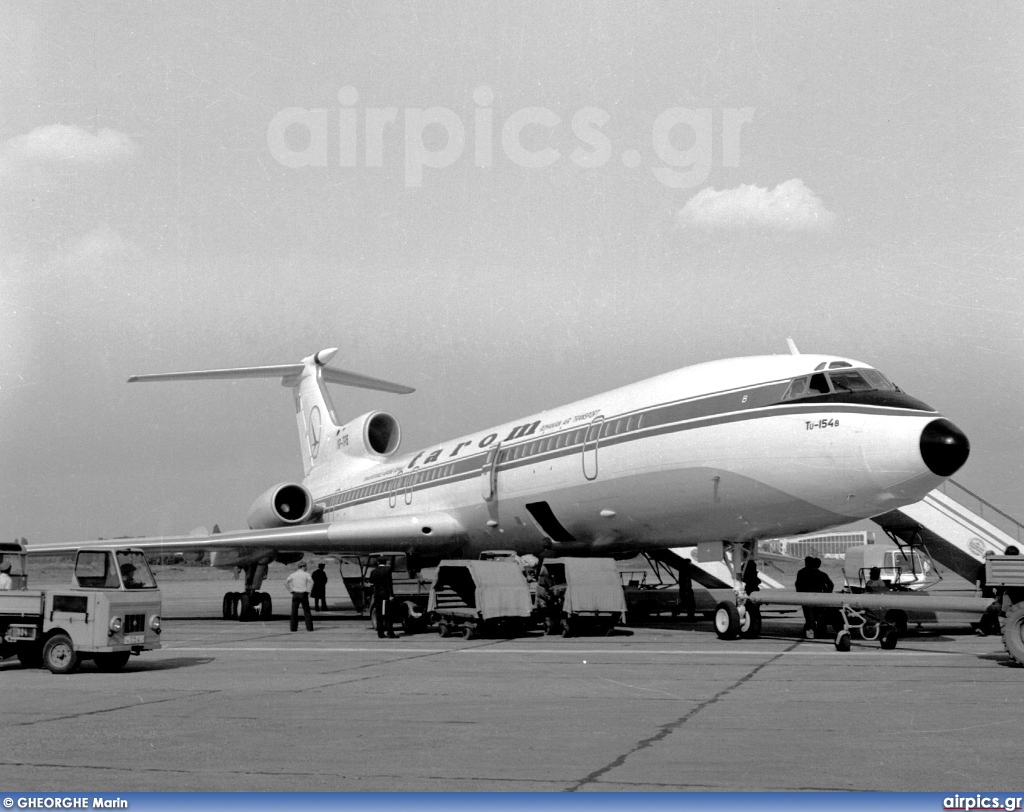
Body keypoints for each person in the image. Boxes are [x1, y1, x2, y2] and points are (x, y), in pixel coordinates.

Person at [368, 558, 397, 638]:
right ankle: (390, 632)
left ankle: (380, 633)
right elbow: (389, 584)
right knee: (388, 614)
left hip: (377, 595)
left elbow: (371, 581)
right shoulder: (387, 570)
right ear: (385, 562)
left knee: (379, 614)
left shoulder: (373, 571)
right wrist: (391, 595)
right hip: (385, 595)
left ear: (378, 562)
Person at [285, 561, 315, 632]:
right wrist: (309, 590)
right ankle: (309, 628)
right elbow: (312, 582)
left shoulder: (293, 574)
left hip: (295, 593)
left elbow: (286, 582)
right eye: (306, 566)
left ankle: (293, 628)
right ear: (303, 567)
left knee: (294, 612)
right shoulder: (306, 574)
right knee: (307, 611)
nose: (306, 568)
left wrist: (290, 590)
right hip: (303, 593)